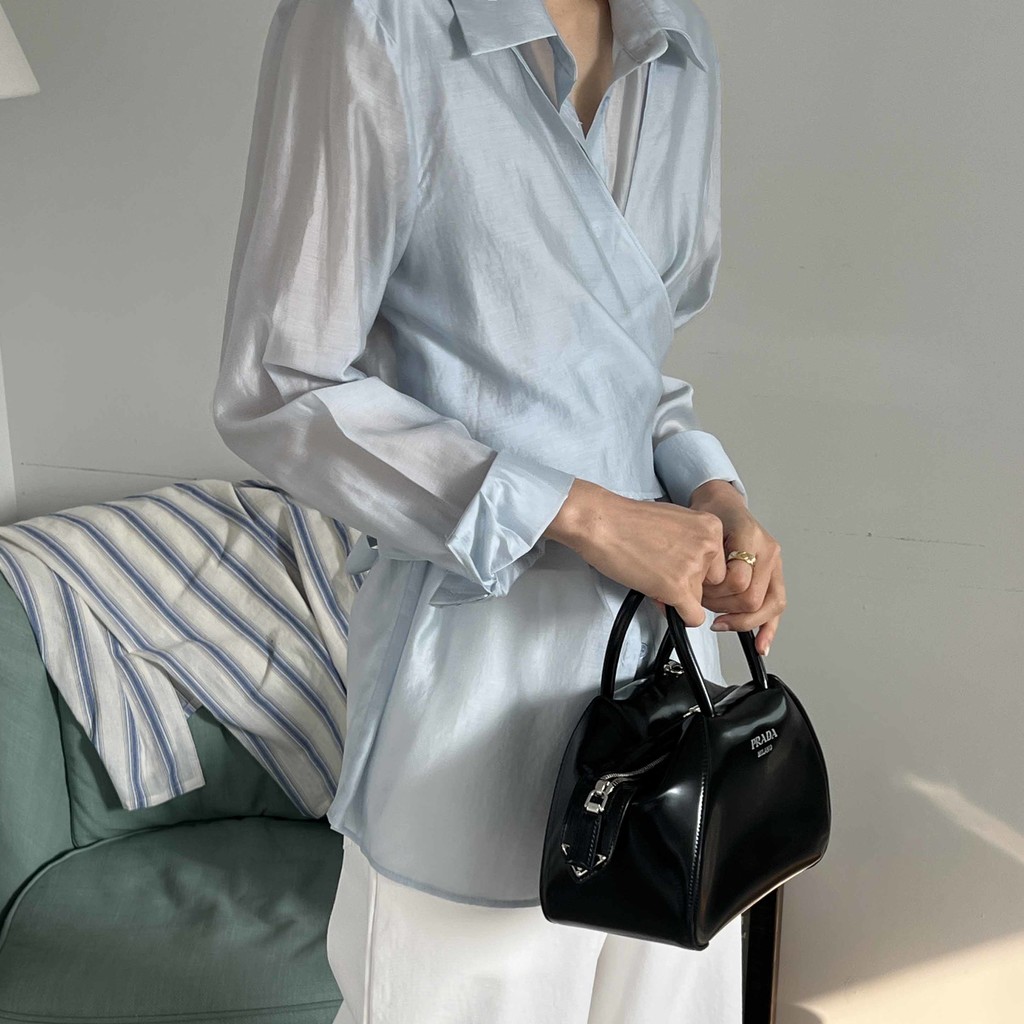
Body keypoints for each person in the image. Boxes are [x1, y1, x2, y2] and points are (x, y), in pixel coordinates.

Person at [213, 0, 786, 1020]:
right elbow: (281, 386)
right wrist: (590, 516)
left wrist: (713, 492)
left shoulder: (675, 40)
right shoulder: (375, 22)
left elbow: (621, 375)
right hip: (472, 698)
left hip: (665, 703)